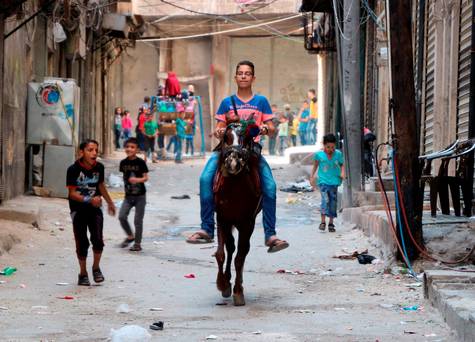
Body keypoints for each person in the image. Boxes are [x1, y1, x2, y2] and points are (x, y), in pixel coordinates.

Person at [186, 60, 289, 253]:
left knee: (270, 187)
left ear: (253, 77)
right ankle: (207, 227)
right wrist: (219, 132)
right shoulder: (226, 103)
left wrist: (266, 128)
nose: (243, 76)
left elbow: (272, 127)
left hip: (252, 151)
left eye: (247, 73)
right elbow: (219, 127)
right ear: (235, 77)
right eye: (240, 73)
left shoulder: (261, 101)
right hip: (227, 150)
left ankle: (270, 235)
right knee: (205, 178)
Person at [66, 139, 116, 286]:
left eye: (96, 150)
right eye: (90, 150)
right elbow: (72, 193)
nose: (94, 153)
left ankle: (96, 268)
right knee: (82, 242)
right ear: (81, 152)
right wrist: (89, 199)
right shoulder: (73, 169)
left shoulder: (99, 167)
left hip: (95, 210)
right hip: (78, 210)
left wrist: (110, 202)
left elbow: (100, 185)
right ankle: (83, 273)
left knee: (98, 240)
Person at [309, 133, 345, 233]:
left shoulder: (338, 154)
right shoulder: (319, 155)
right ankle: (323, 222)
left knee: (333, 202)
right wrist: (312, 176)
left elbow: (342, 165)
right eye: (328, 147)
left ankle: (331, 223)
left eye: (332, 147)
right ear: (324, 145)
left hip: (334, 182)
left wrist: (342, 173)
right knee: (325, 200)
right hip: (323, 181)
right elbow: (315, 166)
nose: (330, 149)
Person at [118, 137, 149, 252]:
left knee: (138, 221)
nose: (129, 149)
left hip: (140, 196)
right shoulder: (123, 163)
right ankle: (130, 236)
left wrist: (136, 180)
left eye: (132, 147)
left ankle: (137, 243)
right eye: (127, 147)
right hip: (128, 196)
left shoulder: (141, 163)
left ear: (137, 149)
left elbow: (146, 178)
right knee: (121, 216)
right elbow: (124, 176)